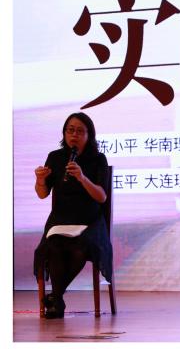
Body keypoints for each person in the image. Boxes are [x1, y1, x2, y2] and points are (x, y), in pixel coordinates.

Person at [33, 112, 112, 319]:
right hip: (60, 220)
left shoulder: (98, 159)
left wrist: (82, 177)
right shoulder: (55, 157)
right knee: (54, 247)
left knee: (79, 248)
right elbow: (42, 194)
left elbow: (102, 196)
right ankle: (57, 300)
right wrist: (40, 180)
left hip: (89, 221)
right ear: (64, 133)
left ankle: (55, 298)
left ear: (89, 135)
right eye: (70, 130)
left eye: (79, 131)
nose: (74, 135)